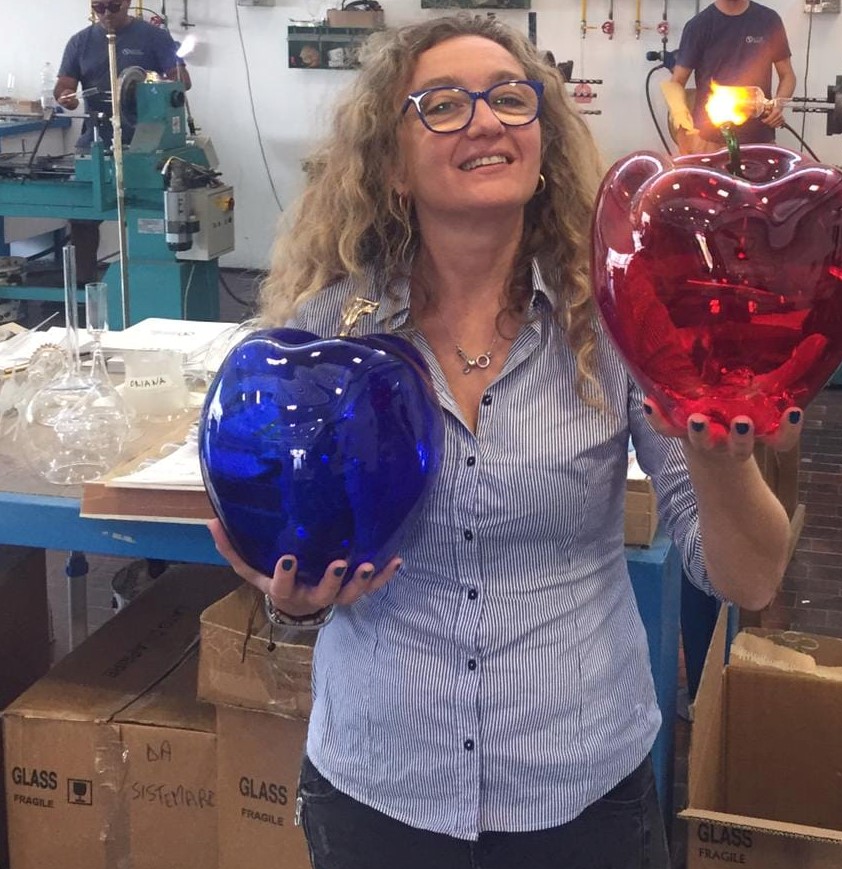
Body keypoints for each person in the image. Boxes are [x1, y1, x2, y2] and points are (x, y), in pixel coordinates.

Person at [208, 14, 801, 869]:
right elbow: (297, 542)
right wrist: (293, 601)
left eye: (510, 100)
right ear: (391, 165)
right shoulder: (330, 333)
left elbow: (747, 577)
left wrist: (723, 464)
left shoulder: (618, 321)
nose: (485, 121)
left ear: (542, 140)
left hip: (578, 793)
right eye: (443, 106)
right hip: (383, 786)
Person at [53, 0, 190, 282]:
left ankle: (150, 282)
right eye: (98, 6)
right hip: (97, 142)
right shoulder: (79, 42)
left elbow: (182, 81)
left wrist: (160, 82)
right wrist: (65, 97)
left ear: (128, 2)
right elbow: (65, 85)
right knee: (83, 217)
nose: (106, 13)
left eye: (113, 6)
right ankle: (84, 286)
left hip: (147, 144)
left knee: (147, 214)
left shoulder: (155, 37)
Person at [662, 0, 796, 155]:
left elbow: (787, 75)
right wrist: (680, 115)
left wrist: (777, 105)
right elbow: (677, 82)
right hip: (709, 140)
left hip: (758, 138)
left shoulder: (768, 20)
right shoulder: (699, 25)